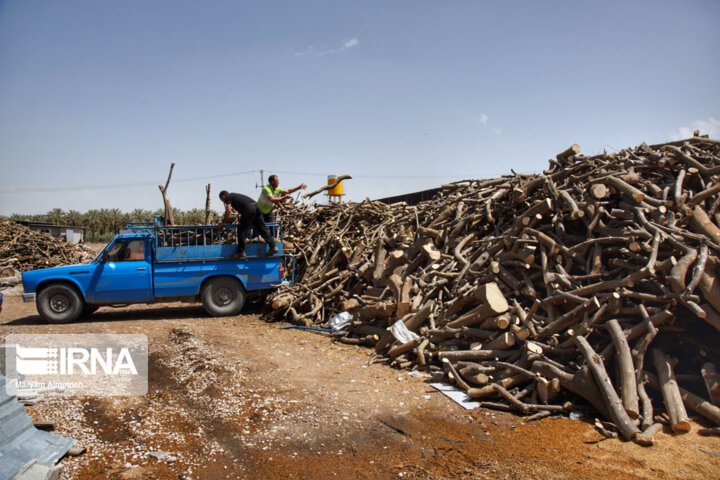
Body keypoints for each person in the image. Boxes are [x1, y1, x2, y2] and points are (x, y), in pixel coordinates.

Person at [217, 190, 277, 258]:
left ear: (223, 196)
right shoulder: (235, 195)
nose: (224, 202)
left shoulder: (228, 197)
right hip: (257, 207)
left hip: (250, 208)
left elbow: (228, 211)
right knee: (261, 228)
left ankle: (241, 251)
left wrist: (223, 223)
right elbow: (243, 203)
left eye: (222, 200)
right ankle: (273, 246)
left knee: (241, 229)